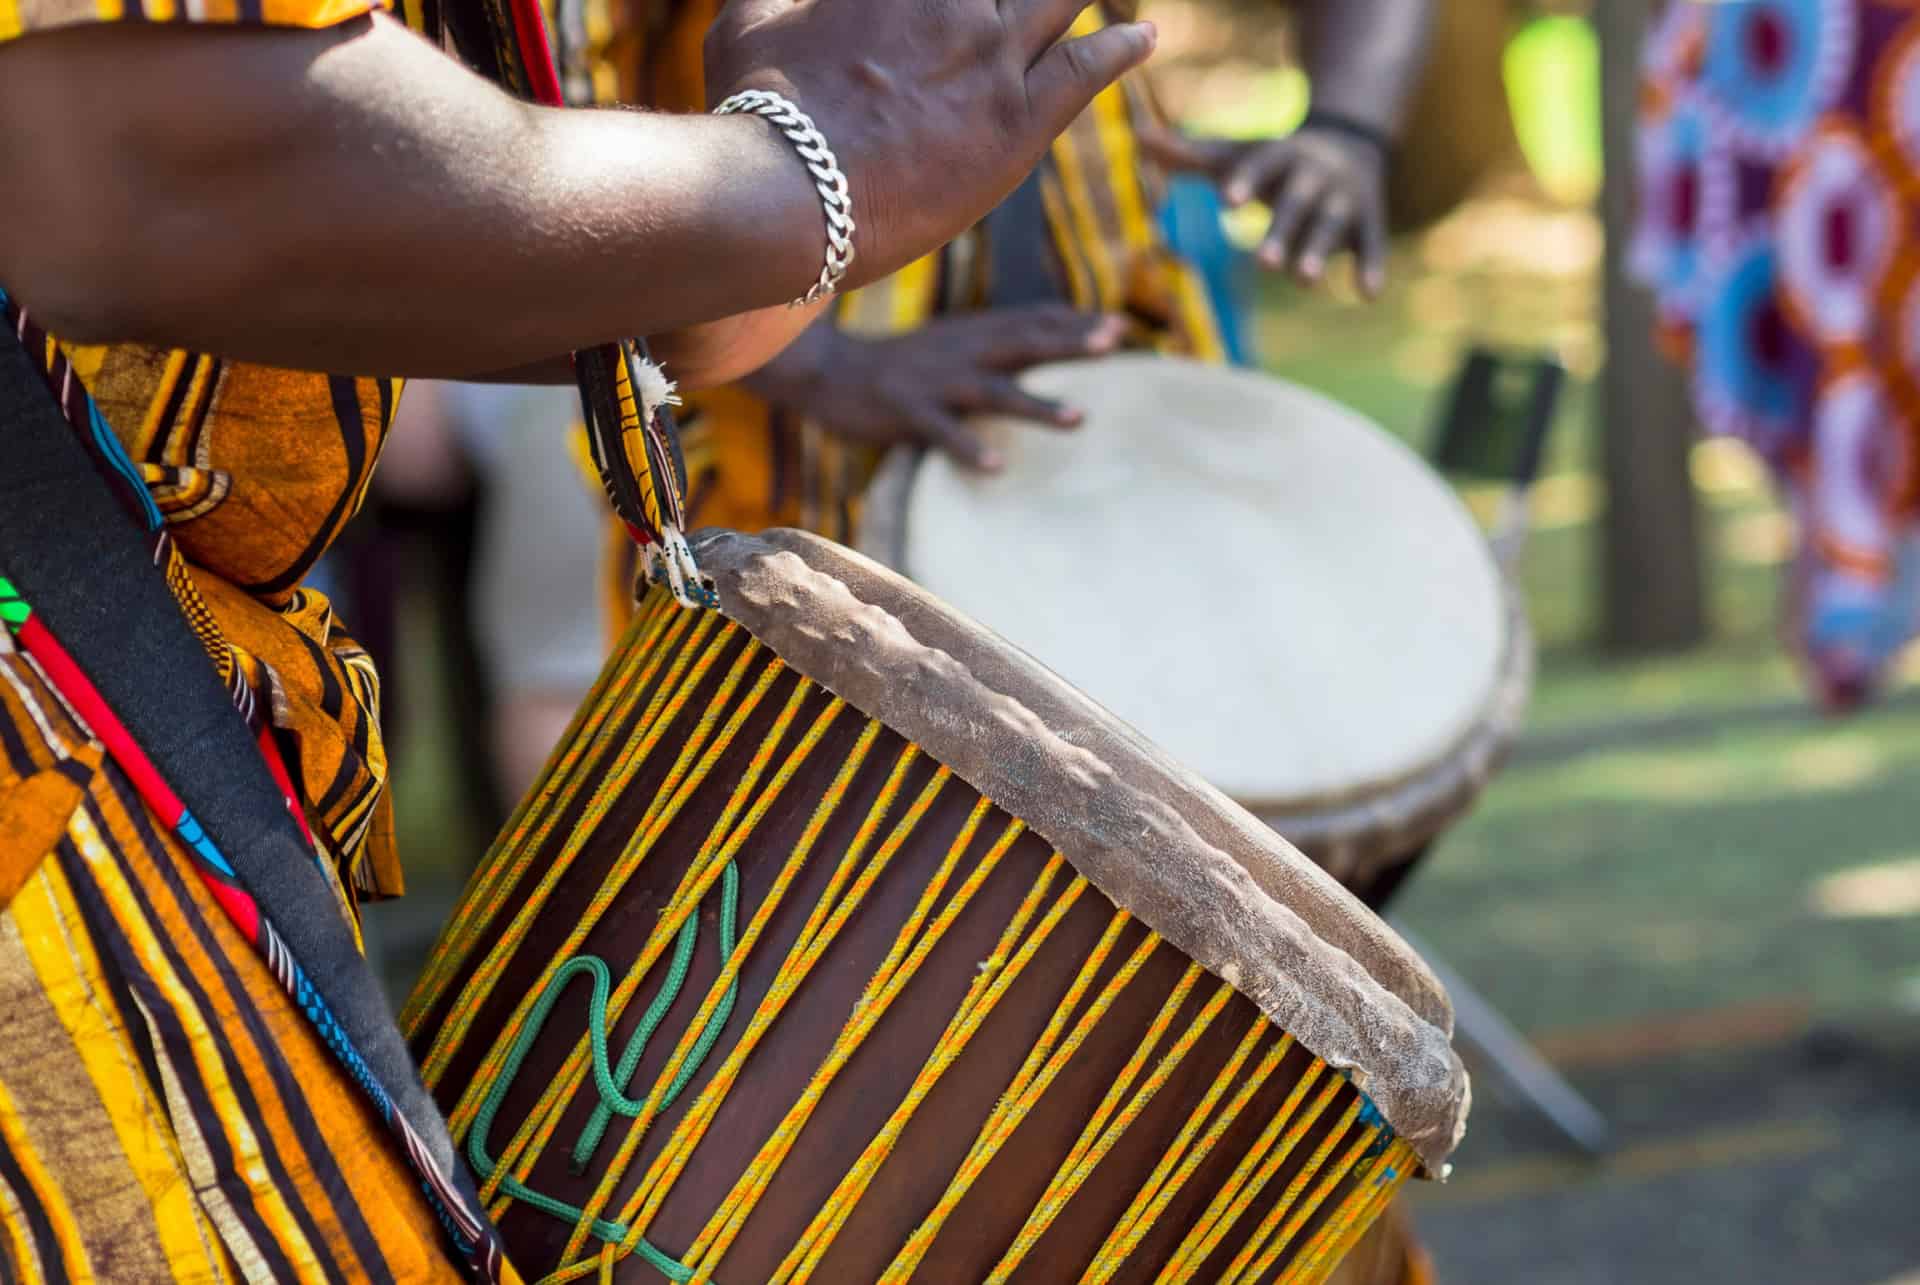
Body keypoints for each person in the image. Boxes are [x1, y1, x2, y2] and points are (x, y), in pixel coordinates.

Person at [0, 0, 1152, 1276]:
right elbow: (151, 159)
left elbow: (630, 285)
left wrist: (786, 214)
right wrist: (802, 167)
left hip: (136, 671)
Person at [1634, 0, 1920, 710]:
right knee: (1822, 311)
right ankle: (1841, 582)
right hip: (1793, 63)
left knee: (1864, 309)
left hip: (1868, 65)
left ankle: (1854, 586)